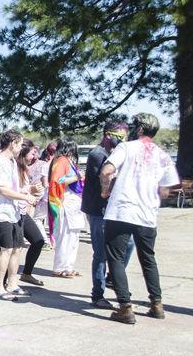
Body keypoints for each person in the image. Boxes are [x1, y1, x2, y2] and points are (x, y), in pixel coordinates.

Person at [100, 113, 180, 324]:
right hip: (147, 214)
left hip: (122, 211)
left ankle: (125, 307)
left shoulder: (127, 147)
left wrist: (105, 190)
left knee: (115, 257)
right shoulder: (163, 155)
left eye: (135, 126)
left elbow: (107, 170)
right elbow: (166, 189)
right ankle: (157, 303)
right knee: (148, 259)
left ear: (141, 129)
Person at [81, 121, 132, 309]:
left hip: (112, 210)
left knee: (129, 243)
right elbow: (104, 179)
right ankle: (98, 294)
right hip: (98, 210)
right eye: (119, 135)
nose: (122, 139)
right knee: (100, 253)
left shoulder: (113, 154)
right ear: (107, 134)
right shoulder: (98, 154)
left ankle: (112, 277)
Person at [0, 129, 38, 300]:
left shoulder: (12, 162)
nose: (21, 147)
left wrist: (29, 190)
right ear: (13, 143)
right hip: (1, 213)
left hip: (15, 212)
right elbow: (2, 190)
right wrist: (26, 197)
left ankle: (12, 284)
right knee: (6, 250)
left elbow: (13, 189)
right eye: (20, 143)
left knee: (17, 249)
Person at [48, 138, 84, 278]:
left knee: (73, 237)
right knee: (65, 236)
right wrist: (77, 177)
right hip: (65, 201)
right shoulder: (62, 160)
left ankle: (69, 266)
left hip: (74, 203)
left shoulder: (67, 161)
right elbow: (57, 181)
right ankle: (59, 267)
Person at [16, 140, 46, 286]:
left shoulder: (26, 168)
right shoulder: (14, 168)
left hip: (23, 211)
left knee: (38, 240)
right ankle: (5, 282)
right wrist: (30, 192)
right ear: (24, 153)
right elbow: (9, 191)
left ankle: (26, 274)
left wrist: (33, 193)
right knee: (14, 248)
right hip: (12, 213)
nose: (35, 155)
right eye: (32, 152)